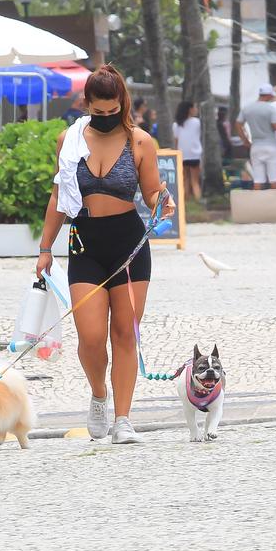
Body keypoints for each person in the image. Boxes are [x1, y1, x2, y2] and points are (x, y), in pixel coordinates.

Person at [36, 65, 175, 445]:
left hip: (129, 244)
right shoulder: (70, 139)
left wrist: (162, 200)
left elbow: (150, 193)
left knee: (125, 334)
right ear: (87, 105)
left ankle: (124, 418)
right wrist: (46, 247)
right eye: (97, 112)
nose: (105, 118)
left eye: (111, 110)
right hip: (85, 242)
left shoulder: (141, 142)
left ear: (122, 103)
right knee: (92, 337)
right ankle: (99, 393)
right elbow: (58, 196)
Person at [236, 84, 276, 189]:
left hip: (255, 146)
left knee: (258, 178)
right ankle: (274, 203)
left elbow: (238, 124)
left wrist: (245, 141)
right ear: (268, 95)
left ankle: (258, 204)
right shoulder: (271, 109)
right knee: (274, 178)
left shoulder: (247, 108)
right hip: (271, 146)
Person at [172, 101, 202, 201]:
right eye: (195, 107)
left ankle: (185, 202)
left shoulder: (176, 124)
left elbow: (176, 141)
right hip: (194, 155)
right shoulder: (197, 122)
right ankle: (198, 201)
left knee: (185, 180)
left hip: (182, 155)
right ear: (190, 109)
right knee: (195, 181)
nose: (196, 109)